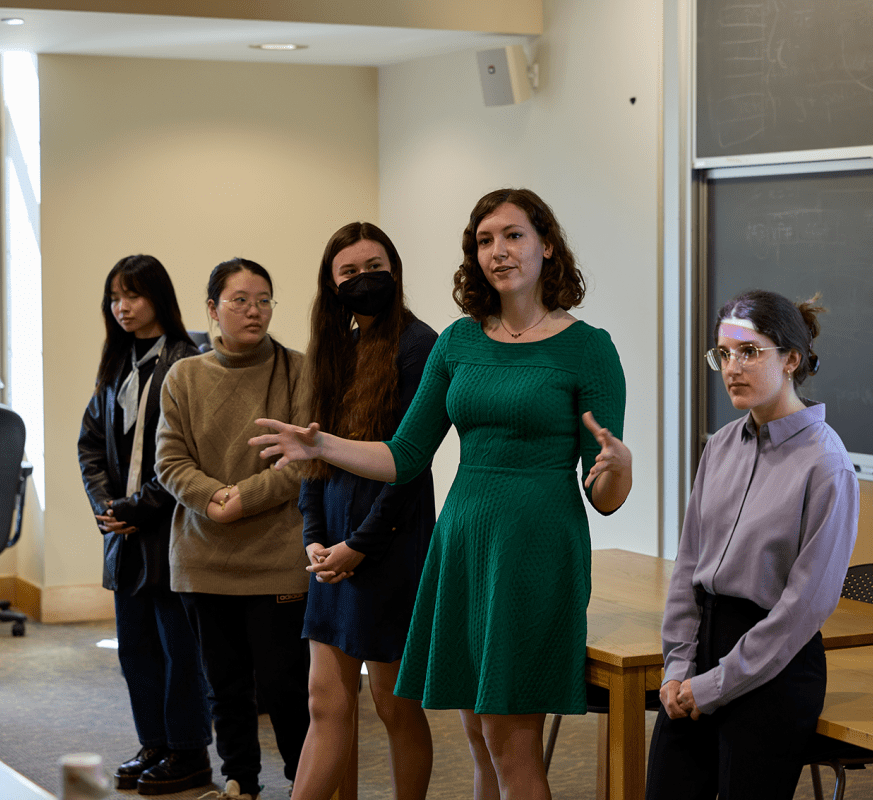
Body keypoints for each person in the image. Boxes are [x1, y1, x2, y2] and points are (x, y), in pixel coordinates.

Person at [250, 188, 632, 800]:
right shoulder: (459, 341)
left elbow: (605, 494)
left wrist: (619, 466)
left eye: (513, 235)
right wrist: (322, 446)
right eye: (485, 240)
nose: (499, 250)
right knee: (478, 737)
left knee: (510, 743)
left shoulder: (588, 347)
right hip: (462, 545)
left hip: (533, 551)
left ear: (547, 246)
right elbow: (403, 456)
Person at [646, 290, 859, 800]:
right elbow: (688, 568)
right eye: (723, 354)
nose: (732, 368)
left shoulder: (826, 464)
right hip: (701, 653)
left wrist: (715, 685)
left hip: (773, 668)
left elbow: (803, 608)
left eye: (748, 352)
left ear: (790, 360)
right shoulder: (720, 446)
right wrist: (678, 668)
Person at [290, 222, 437, 800]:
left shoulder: (420, 345)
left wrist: (360, 546)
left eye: (374, 267)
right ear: (332, 285)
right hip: (331, 548)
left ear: (394, 270)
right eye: (349, 271)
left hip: (390, 546)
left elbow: (408, 465)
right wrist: (314, 536)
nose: (363, 279)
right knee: (325, 703)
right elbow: (311, 452)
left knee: (393, 705)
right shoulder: (335, 348)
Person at [155, 258, 309, 800]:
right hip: (202, 557)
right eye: (240, 300)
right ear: (212, 308)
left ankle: (304, 784)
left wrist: (242, 499)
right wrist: (213, 499)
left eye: (263, 300)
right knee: (225, 686)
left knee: (285, 687)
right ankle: (240, 782)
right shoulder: (184, 376)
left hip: (277, 558)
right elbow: (169, 460)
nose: (254, 311)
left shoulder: (298, 370)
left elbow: (303, 459)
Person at [77, 254, 213, 796]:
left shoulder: (188, 361)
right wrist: (107, 505)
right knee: (134, 648)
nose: (122, 307)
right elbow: (90, 443)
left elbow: (190, 453)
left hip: (171, 529)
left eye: (132, 295)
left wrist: (140, 507)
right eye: (114, 297)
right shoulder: (117, 363)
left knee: (179, 649)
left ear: (158, 297)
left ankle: (189, 751)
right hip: (124, 533)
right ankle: (154, 743)